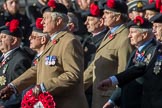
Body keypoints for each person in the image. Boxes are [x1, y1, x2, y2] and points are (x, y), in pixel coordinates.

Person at [0, 1, 89, 108]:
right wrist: (13, 86)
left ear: (58, 21)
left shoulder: (69, 41)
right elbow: (37, 69)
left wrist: (43, 87)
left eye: (45, 18)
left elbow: (73, 75)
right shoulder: (53, 41)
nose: (42, 22)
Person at [98, 16, 160, 108]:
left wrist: (112, 80)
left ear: (144, 35)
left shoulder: (154, 50)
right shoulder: (136, 51)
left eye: (132, 32)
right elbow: (126, 76)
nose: (129, 35)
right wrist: (112, 100)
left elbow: (137, 70)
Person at [83, 0, 133, 108]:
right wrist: (79, 86)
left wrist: (115, 100)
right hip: (99, 97)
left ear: (117, 17)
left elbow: (123, 74)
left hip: (109, 100)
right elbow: (95, 65)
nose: (103, 16)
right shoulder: (110, 34)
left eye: (106, 13)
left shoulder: (124, 38)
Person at [0, 19, 33, 107]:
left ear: (14, 40)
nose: (0, 40)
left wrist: (6, 106)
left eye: (3, 37)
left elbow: (21, 89)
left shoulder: (20, 60)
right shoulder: (3, 57)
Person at [82, 1, 108, 107]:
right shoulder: (88, 39)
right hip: (85, 89)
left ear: (101, 22)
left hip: (95, 89)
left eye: (90, 20)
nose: (85, 23)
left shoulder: (105, 40)